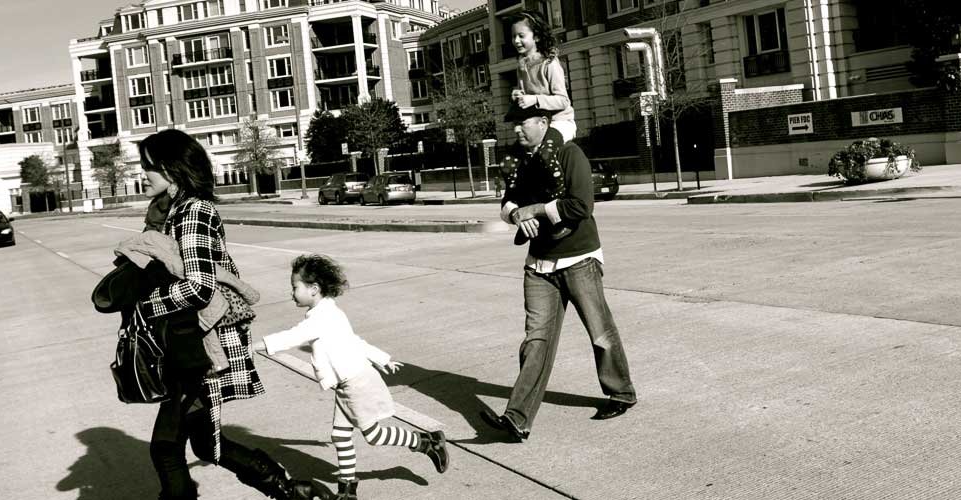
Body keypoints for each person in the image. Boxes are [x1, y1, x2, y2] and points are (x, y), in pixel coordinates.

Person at [134, 129, 330, 500]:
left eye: (149, 166)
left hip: (200, 347)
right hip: (188, 343)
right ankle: (294, 492)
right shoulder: (174, 210)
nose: (144, 173)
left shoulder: (193, 211)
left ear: (172, 169)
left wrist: (149, 305)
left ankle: (292, 491)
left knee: (166, 448)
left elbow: (198, 287)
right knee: (207, 445)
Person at [480, 106, 638, 442]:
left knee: (600, 331)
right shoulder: (518, 162)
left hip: (579, 258)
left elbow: (581, 205)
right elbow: (508, 201)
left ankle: (621, 392)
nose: (517, 131)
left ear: (543, 123)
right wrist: (515, 215)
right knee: (535, 341)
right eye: (514, 126)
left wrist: (536, 209)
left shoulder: (569, 154)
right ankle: (517, 418)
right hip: (539, 264)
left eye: (522, 124)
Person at [257, 254, 449, 499]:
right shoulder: (328, 312)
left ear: (313, 289)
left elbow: (291, 337)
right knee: (340, 435)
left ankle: (427, 442)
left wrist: (256, 345)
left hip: (357, 382)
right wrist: (381, 358)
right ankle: (347, 490)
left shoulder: (321, 317)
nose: (291, 292)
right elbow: (353, 340)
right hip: (347, 384)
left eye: (295, 287)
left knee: (374, 435)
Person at [509, 11, 575, 144]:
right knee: (512, 158)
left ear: (537, 37)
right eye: (513, 36)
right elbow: (526, 101)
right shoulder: (522, 67)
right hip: (538, 125)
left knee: (546, 151)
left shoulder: (549, 64)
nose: (516, 41)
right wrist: (517, 96)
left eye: (521, 36)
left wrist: (534, 99)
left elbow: (563, 101)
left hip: (560, 123)